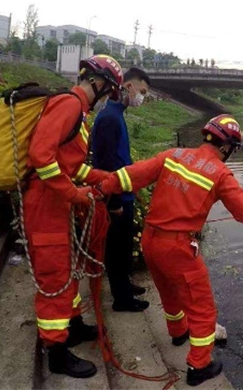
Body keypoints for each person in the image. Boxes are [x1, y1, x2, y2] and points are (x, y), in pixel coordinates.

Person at [92, 115, 243, 387]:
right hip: (177, 247)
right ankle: (198, 365)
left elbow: (129, 175)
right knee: (203, 311)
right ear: (226, 147)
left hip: (151, 242)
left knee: (168, 291)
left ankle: (177, 333)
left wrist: (99, 189)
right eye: (233, 150)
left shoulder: (173, 155)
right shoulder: (220, 173)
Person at [24, 54, 123, 378]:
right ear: (97, 83)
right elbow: (41, 157)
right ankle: (57, 352)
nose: (107, 96)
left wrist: (99, 177)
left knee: (69, 269)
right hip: (46, 204)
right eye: (108, 90)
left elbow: (69, 165)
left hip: (57, 202)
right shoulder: (68, 106)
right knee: (54, 276)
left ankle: (74, 324)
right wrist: (74, 194)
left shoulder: (78, 112)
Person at [91, 67, 151, 312]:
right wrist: (114, 201)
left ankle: (125, 285)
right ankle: (122, 299)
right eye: (142, 91)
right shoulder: (109, 118)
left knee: (124, 244)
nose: (142, 97)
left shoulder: (117, 114)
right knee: (116, 249)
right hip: (115, 197)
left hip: (124, 193)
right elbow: (105, 163)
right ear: (128, 86)